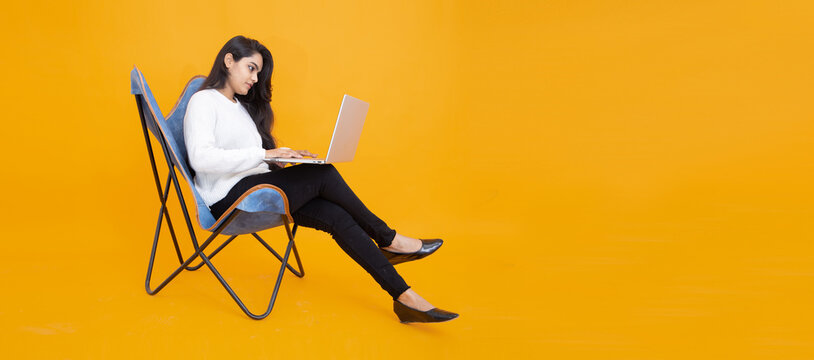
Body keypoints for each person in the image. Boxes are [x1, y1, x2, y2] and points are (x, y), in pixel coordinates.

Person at [183, 35, 458, 323]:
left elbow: (252, 159)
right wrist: (264, 153)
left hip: (259, 190)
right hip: (229, 199)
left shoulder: (240, 107)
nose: (255, 78)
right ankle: (389, 239)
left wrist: (280, 158)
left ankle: (404, 298)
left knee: (338, 217)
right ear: (229, 61)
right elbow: (201, 159)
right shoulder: (204, 101)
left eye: (258, 72)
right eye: (251, 68)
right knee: (323, 173)